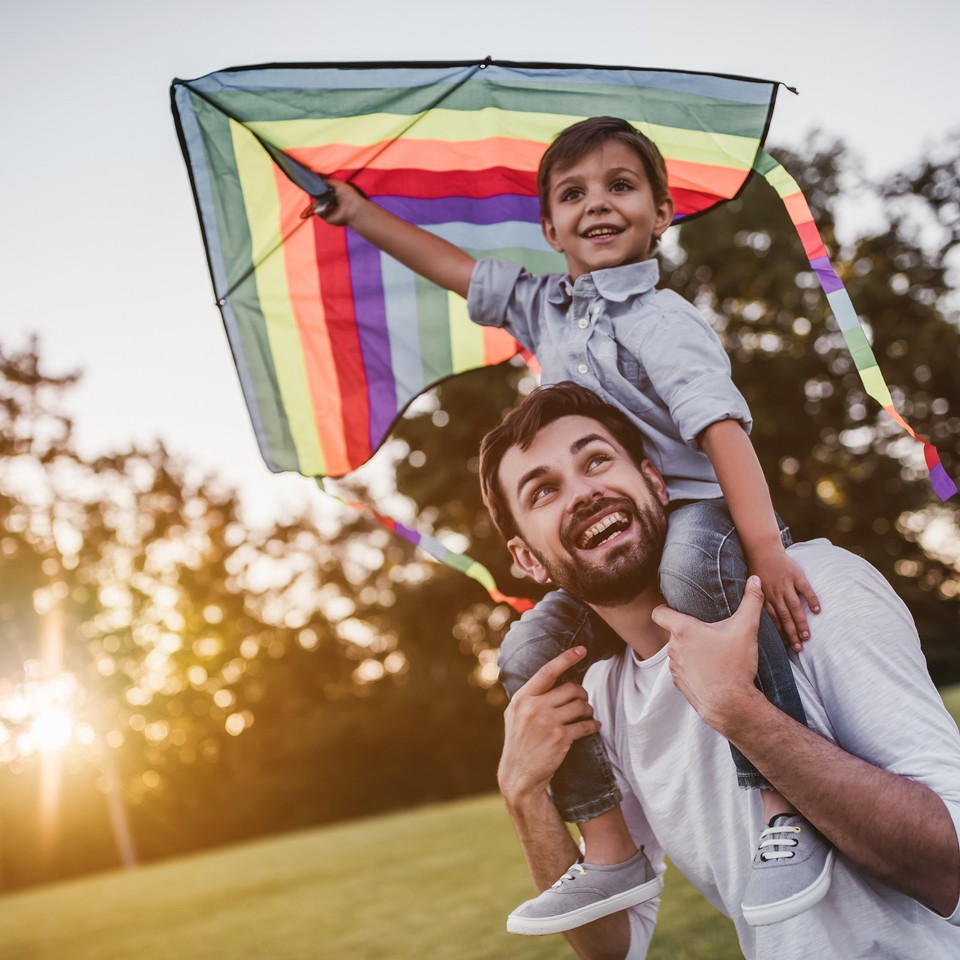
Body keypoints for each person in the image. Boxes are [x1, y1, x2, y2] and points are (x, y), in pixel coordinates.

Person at [320, 116, 823, 931]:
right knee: (525, 649)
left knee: (694, 571)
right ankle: (611, 850)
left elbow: (724, 432)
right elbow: (453, 269)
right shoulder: (543, 307)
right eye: (573, 193)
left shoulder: (662, 320)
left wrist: (763, 546)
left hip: (696, 516)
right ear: (548, 227)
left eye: (621, 186)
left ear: (662, 212)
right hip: (614, 545)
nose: (598, 204)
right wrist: (358, 214)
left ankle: (780, 806)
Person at [480, 380, 960, 959]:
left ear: (654, 481)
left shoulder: (811, 590)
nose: (582, 493)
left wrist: (740, 712)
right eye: (544, 491)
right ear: (527, 559)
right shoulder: (599, 701)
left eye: (597, 460)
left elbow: (948, 868)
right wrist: (525, 796)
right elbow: (612, 946)